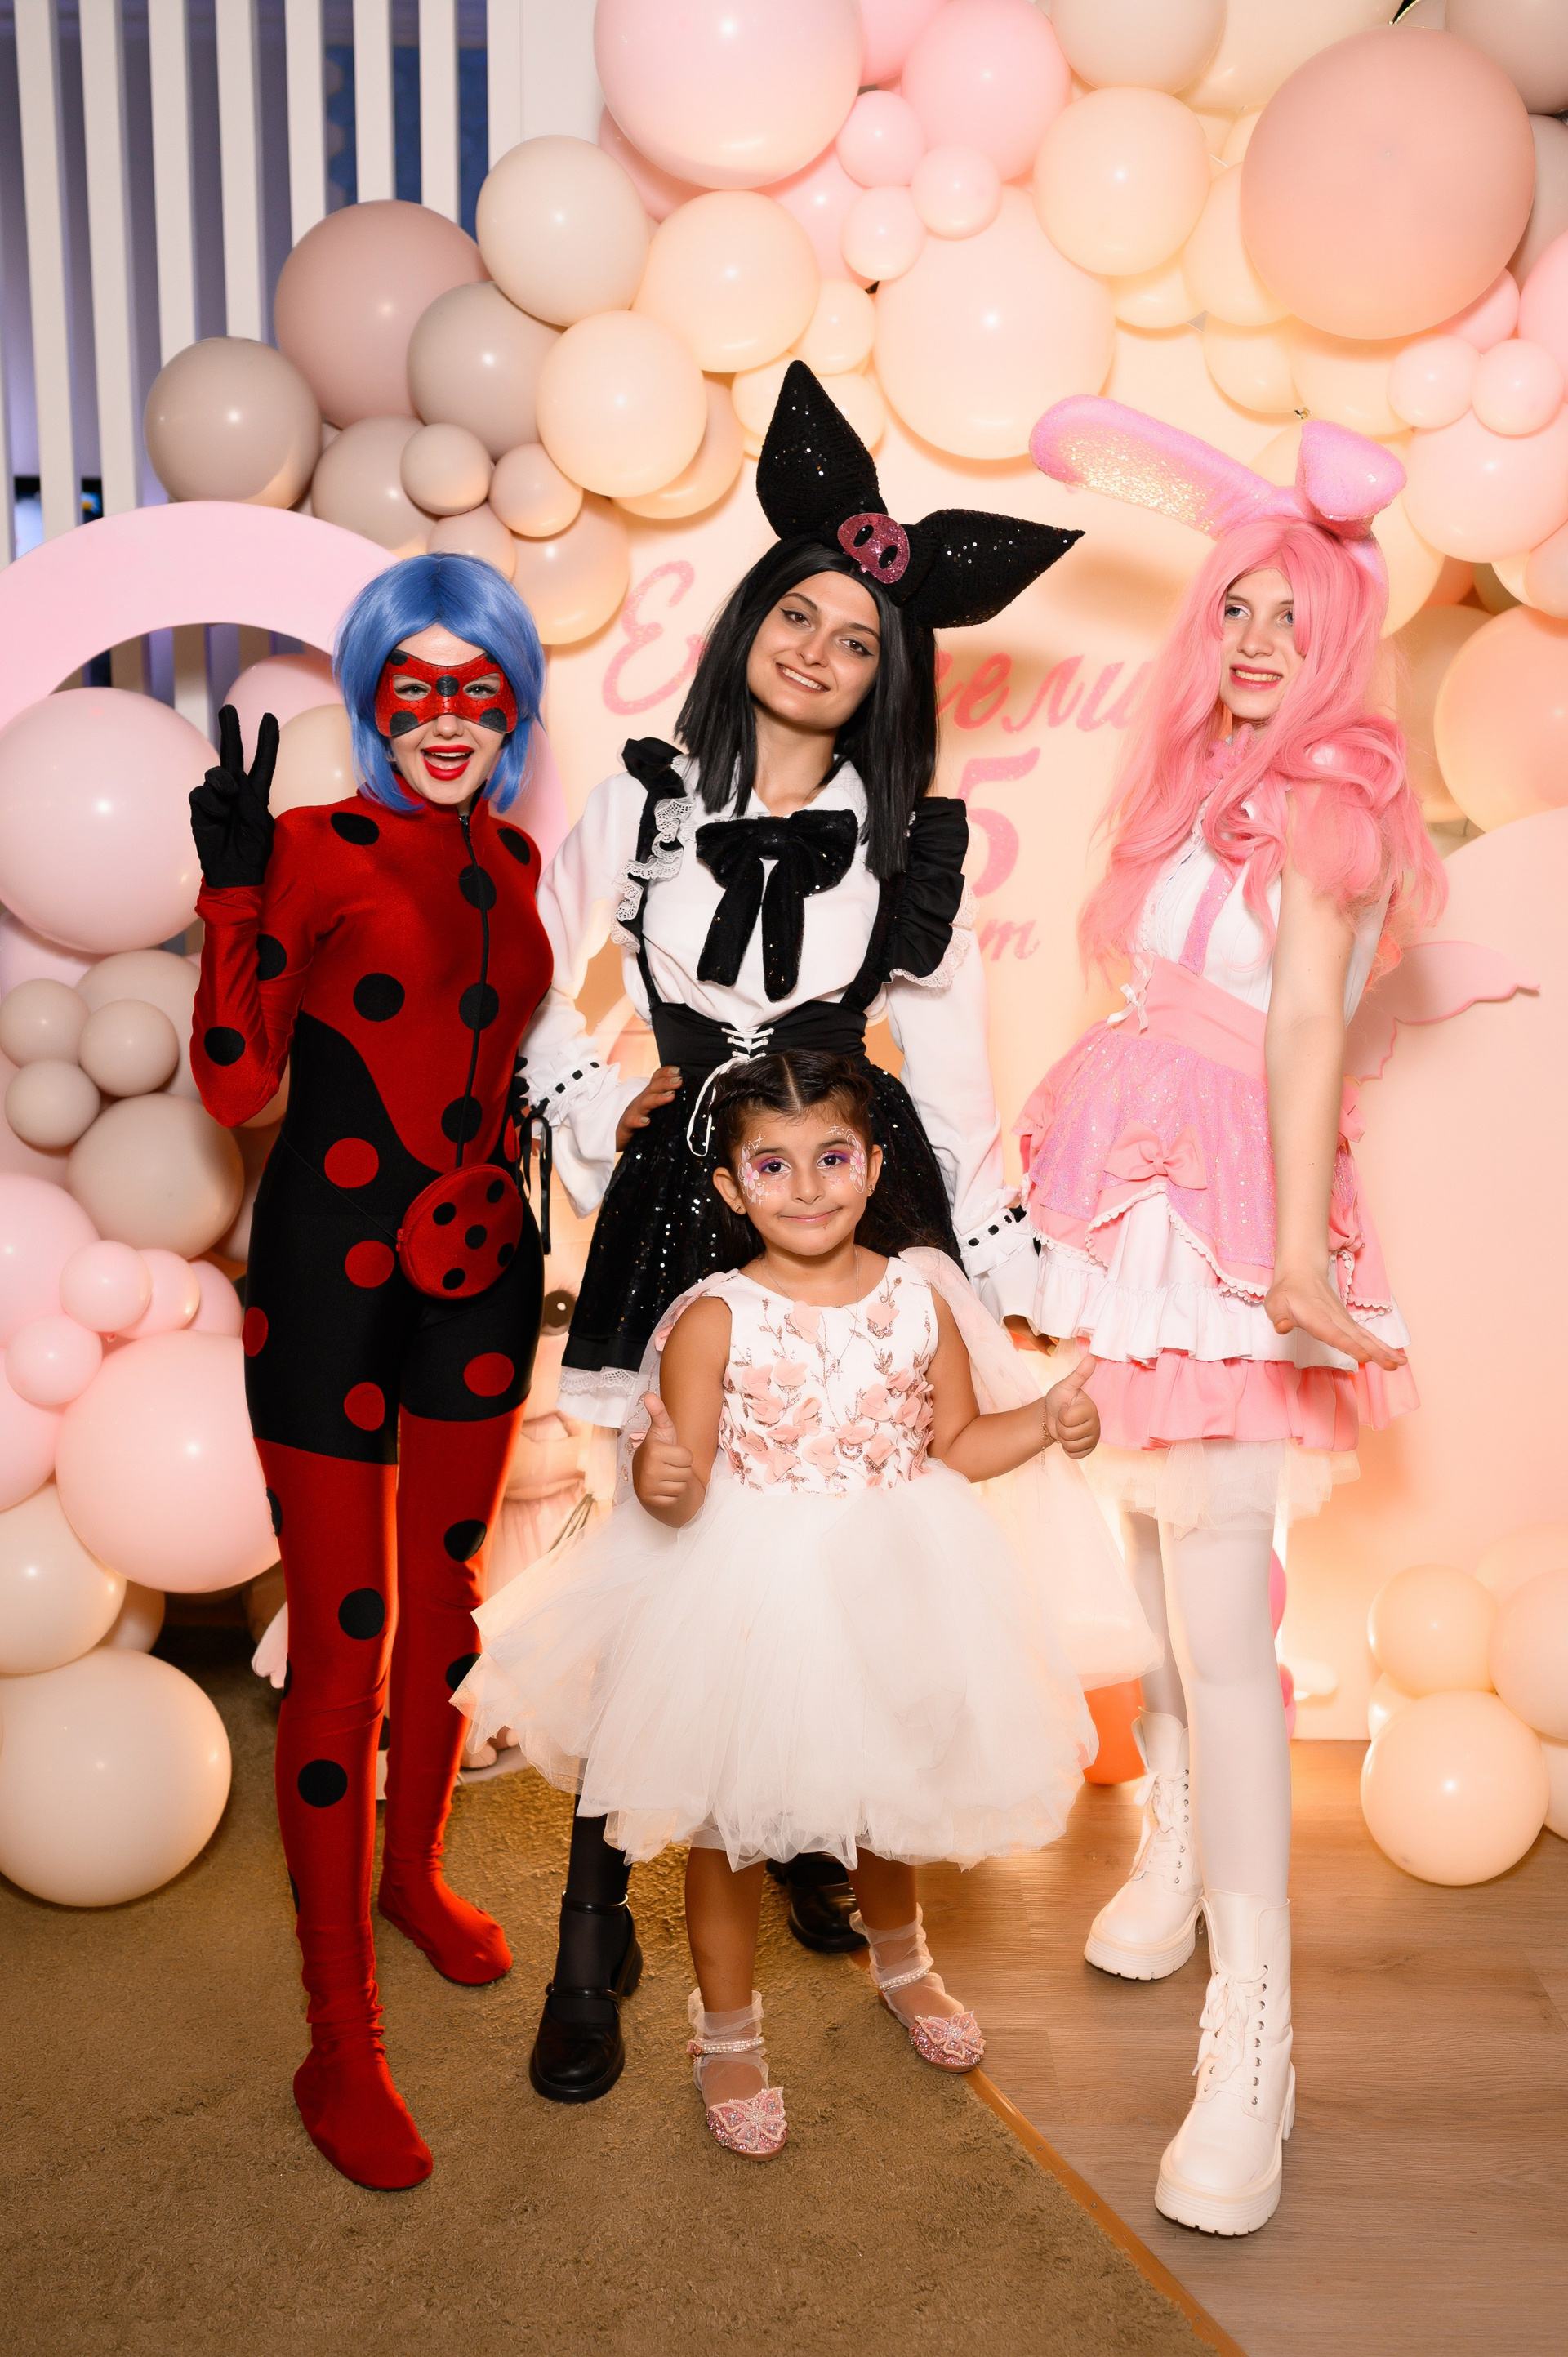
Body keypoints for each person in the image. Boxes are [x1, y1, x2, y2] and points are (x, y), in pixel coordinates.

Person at [514, 363, 1086, 2096]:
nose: (822, 651)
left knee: (849, 1544)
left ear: (891, 675)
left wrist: (995, 1260)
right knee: (663, 1550)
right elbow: (540, 980)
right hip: (681, 1196)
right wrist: (587, 1103)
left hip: (843, 1187)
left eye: (860, 639)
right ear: (751, 617)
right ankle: (595, 1927)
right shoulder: (643, 795)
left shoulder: (911, 845)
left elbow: (958, 1075)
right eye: (800, 615)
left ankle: (821, 1830)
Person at [1018, 399, 1447, 2235]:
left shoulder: (1339, 803)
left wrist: (1292, 1262)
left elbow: (1307, 1026)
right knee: (1144, 1547)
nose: (1258, 637)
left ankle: (1256, 2036)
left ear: (1342, 633)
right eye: (1238, 607)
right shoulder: (1191, 775)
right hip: (1131, 1185)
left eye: (1291, 612)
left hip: (1235, 1210)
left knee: (1217, 1590)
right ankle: (1176, 1842)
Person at [453, 1049, 1150, 2157]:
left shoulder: (920, 1299)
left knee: (887, 1788)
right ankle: (726, 2030)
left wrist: (1047, 1424)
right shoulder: (714, 1317)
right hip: (752, 1593)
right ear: (731, 1188)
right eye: (772, 1166)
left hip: (897, 1577)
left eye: (832, 1156)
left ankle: (905, 1965)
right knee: (731, 1825)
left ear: (872, 1165)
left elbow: (959, 1444)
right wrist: (660, 1478)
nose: (809, 1186)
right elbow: (677, 1482)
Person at [189, 552, 554, 2191]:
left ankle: (413, 1877)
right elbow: (233, 1087)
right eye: (415, 687)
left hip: (482, 1269)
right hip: (329, 1280)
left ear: (514, 702)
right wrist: (232, 897)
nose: (448, 719)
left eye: (480, 688)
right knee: (343, 1640)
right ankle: (338, 2037)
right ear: (369, 698)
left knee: (450, 1605)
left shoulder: (520, 855)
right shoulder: (313, 844)